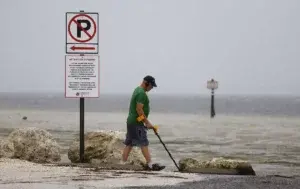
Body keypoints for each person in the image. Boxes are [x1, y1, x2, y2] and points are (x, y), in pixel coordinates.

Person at [122, 75, 165, 171]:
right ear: (147, 83)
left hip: (131, 121)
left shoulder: (137, 89)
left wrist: (145, 122)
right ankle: (150, 165)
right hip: (136, 123)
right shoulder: (141, 93)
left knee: (129, 143)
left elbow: (138, 110)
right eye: (152, 85)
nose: (152, 88)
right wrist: (147, 122)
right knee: (143, 143)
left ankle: (123, 163)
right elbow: (139, 110)